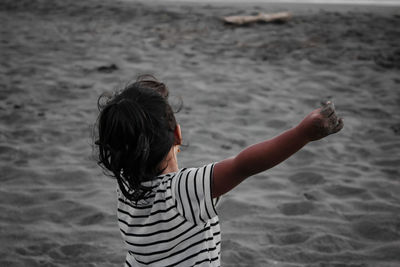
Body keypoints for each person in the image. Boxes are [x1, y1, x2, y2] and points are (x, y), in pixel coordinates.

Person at [95, 75, 343, 267]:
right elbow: (243, 165)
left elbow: (129, 135)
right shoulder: (183, 190)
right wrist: (301, 134)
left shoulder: (125, 186)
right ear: (178, 135)